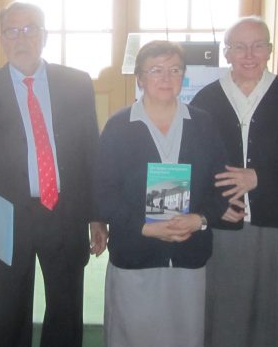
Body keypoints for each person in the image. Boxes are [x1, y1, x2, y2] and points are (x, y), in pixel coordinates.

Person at [0, 2, 108, 347]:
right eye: (12, 30)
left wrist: (97, 216)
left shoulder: (77, 83)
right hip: (5, 216)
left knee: (66, 309)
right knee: (8, 311)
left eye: (30, 29)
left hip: (65, 212)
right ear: (1, 39)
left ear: (45, 35)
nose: (21, 38)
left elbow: (90, 151)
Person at [93, 40, 234, 347]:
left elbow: (223, 185)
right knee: (133, 333)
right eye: (155, 70)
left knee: (186, 334)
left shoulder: (203, 123)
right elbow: (103, 193)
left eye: (174, 70)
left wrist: (200, 219)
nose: (166, 78)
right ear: (140, 78)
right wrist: (145, 227)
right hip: (136, 249)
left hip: (189, 250)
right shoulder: (118, 126)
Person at [190, 16, 278, 347]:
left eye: (258, 45)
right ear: (226, 52)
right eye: (240, 47)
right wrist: (214, 207)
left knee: (275, 311)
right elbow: (193, 164)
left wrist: (259, 177)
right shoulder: (206, 99)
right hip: (224, 223)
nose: (249, 54)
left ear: (270, 50)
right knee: (224, 310)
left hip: (277, 220)